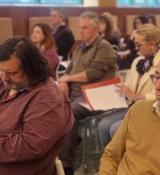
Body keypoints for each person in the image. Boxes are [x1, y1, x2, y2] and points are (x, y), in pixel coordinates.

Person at [0, 36, 74, 175]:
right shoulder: (6, 84)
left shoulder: (47, 97)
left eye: (12, 73)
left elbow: (31, 144)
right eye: (2, 71)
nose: (4, 77)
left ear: (31, 68)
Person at [58, 11, 117, 175]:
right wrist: (63, 81)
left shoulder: (103, 46)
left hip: (100, 95)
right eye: (80, 27)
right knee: (51, 106)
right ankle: (52, 156)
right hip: (77, 94)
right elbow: (67, 71)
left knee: (70, 111)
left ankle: (66, 165)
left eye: (85, 28)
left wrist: (68, 79)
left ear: (96, 29)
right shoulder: (78, 48)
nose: (81, 31)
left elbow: (92, 73)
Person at [98, 23, 160, 148]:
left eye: (139, 45)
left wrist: (135, 96)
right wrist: (117, 88)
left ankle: (127, 163)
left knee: (115, 129)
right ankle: (110, 161)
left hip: (152, 112)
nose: (136, 48)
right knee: (103, 126)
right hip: (132, 106)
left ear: (152, 44)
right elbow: (129, 85)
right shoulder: (139, 60)